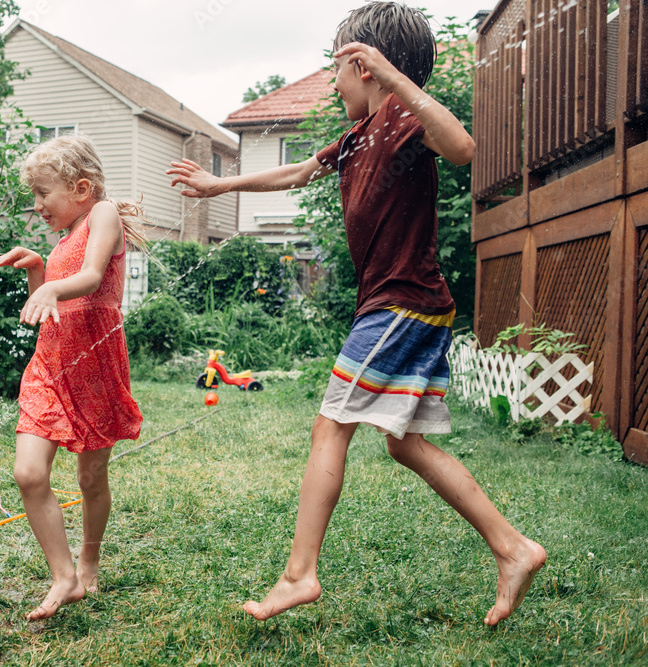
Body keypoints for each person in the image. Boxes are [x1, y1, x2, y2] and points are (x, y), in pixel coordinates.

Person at [166, 1, 545, 626]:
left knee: (329, 426)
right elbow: (295, 174)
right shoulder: (357, 134)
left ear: (365, 66)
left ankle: (298, 574)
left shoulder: (400, 115)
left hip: (401, 302)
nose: (334, 80)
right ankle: (513, 548)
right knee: (406, 445)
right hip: (404, 306)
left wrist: (397, 80)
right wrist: (219, 187)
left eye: (339, 67)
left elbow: (463, 147)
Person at [0, 135, 145, 620]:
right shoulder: (62, 239)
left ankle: (89, 560)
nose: (37, 205)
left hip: (94, 364)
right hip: (50, 364)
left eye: (43, 193)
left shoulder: (103, 216)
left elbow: (93, 278)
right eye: (34, 195)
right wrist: (39, 269)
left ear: (81, 188)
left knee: (90, 477)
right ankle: (64, 576)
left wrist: (53, 282)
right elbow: (51, 305)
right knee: (29, 473)